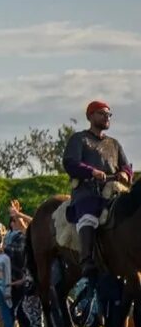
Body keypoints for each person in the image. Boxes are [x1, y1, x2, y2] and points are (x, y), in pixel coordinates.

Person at [63, 100, 132, 276]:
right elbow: (70, 163)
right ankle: (86, 258)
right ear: (90, 116)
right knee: (88, 214)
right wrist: (91, 171)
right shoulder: (79, 139)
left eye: (109, 114)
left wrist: (125, 173)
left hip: (113, 192)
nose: (106, 117)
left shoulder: (114, 144)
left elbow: (126, 166)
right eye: (102, 113)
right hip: (87, 191)